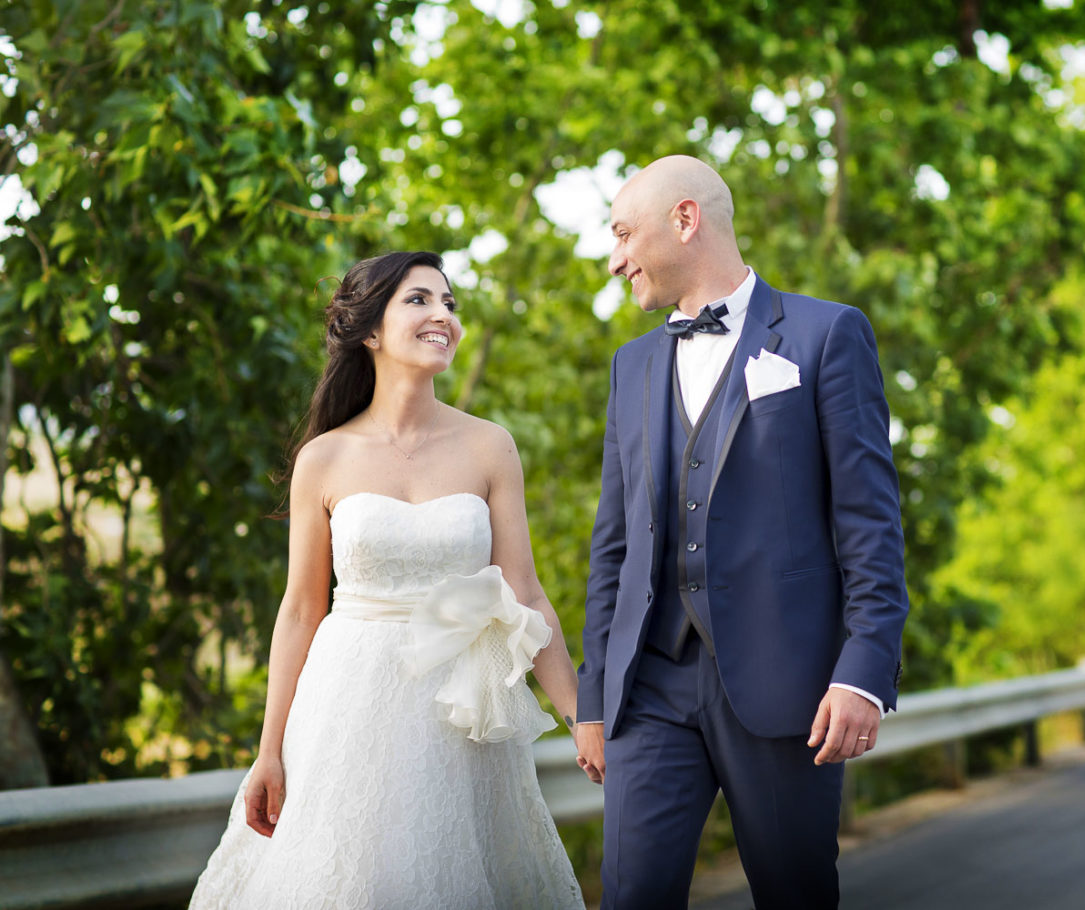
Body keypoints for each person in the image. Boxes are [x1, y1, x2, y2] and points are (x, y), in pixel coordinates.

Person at [190, 251, 584, 909]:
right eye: (420, 300)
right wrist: (268, 752)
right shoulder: (325, 456)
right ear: (369, 330)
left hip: (460, 714)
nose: (443, 316)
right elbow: (299, 611)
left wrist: (580, 717)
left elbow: (524, 591)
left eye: (450, 304)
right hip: (345, 708)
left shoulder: (490, 446)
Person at [574, 156, 910, 909]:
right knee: (631, 897)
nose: (614, 257)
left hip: (788, 686)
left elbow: (869, 523)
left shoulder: (826, 335)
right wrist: (592, 699)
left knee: (794, 895)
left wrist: (861, 671)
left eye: (624, 233)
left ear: (685, 220)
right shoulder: (631, 367)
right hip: (650, 685)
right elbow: (614, 548)